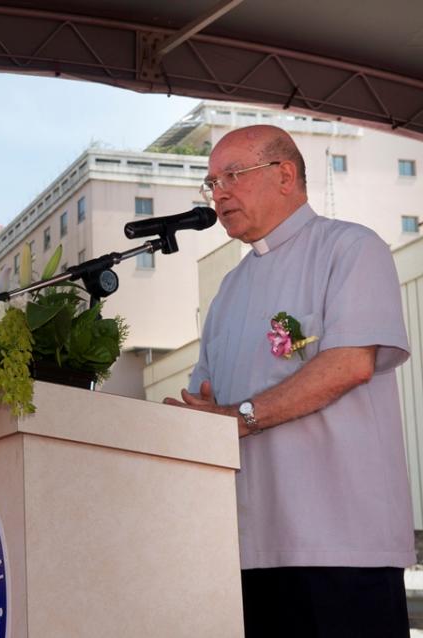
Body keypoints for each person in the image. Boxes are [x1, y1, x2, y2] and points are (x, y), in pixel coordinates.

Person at [164, 125, 415, 637]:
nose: (219, 193)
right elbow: (203, 404)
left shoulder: (349, 248)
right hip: (247, 550)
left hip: (341, 546)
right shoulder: (228, 291)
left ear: (285, 175)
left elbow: (350, 364)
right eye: (211, 182)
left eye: (233, 175)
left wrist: (239, 419)